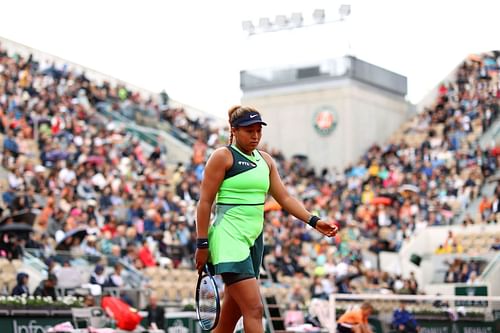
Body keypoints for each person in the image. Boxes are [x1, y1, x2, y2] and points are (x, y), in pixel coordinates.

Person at [195, 105, 338, 333]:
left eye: (258, 130)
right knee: (254, 309)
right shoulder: (222, 157)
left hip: (254, 240)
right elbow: (204, 203)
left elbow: (285, 198)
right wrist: (202, 243)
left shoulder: (266, 160)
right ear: (234, 130)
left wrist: (313, 221)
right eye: (249, 130)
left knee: (229, 320)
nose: (255, 136)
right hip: (230, 238)